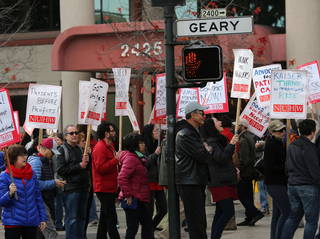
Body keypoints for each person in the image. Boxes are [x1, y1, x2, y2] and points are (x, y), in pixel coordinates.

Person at [175, 102, 213, 239]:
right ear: (192, 115)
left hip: (194, 180)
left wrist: (205, 149)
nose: (204, 116)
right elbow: (202, 155)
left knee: (199, 220)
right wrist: (206, 149)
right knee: (196, 221)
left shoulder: (192, 132)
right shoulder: (185, 134)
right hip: (189, 181)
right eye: (201, 113)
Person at [200, 117, 239, 239]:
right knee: (228, 212)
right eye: (217, 121)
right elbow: (221, 158)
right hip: (219, 182)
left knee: (220, 212)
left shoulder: (217, 140)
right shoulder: (211, 143)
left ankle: (215, 236)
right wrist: (231, 145)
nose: (220, 122)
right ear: (212, 126)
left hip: (223, 180)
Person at [281, 119, 320, 239]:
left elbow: (286, 167)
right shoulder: (310, 147)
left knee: (293, 218)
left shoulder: (292, 145)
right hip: (308, 186)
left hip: (292, 185)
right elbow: (315, 171)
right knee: (311, 221)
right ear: (313, 132)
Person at [0, 144, 47, 238]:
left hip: (31, 221)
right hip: (13, 222)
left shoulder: (32, 174)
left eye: (25, 154)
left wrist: (43, 218)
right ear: (13, 158)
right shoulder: (4, 176)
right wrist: (10, 194)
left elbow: (38, 197)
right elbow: (2, 202)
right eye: (21, 155)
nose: (25, 157)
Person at [28, 137, 66, 239]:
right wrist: (54, 183)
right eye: (51, 151)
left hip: (46, 199)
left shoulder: (46, 161)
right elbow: (36, 184)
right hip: (41, 200)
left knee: (43, 231)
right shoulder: (37, 162)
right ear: (44, 149)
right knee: (49, 232)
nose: (53, 154)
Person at [56, 125, 90, 239]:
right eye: (71, 133)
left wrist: (89, 157)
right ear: (66, 136)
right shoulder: (62, 150)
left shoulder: (80, 149)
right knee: (72, 219)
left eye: (76, 133)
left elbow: (86, 167)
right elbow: (60, 170)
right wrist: (79, 166)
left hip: (83, 187)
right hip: (71, 189)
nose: (75, 135)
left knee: (82, 218)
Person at [118, 133, 154, 239]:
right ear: (135, 145)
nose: (144, 145)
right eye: (141, 143)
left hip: (139, 197)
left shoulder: (138, 157)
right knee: (133, 228)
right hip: (133, 199)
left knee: (147, 225)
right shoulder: (131, 159)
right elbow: (122, 177)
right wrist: (128, 195)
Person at [92, 122, 120, 239]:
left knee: (104, 218)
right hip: (103, 188)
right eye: (112, 131)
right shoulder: (100, 147)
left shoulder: (110, 145)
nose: (114, 133)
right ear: (106, 133)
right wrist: (115, 160)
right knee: (111, 219)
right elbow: (100, 168)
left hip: (110, 187)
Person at [263, 120, 290, 239]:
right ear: (272, 132)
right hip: (275, 183)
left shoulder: (277, 142)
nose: (282, 132)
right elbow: (270, 166)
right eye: (279, 131)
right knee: (286, 212)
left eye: (283, 130)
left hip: (277, 182)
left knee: (278, 214)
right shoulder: (272, 144)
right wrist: (286, 166)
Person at [236, 120, 264, 226]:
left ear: (243, 127)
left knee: (242, 195)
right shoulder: (249, 137)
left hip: (245, 173)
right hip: (249, 172)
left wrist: (239, 169)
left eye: (238, 125)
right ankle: (249, 217)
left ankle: (256, 213)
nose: (236, 127)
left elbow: (245, 159)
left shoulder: (243, 139)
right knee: (248, 195)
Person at [143, 124, 167, 231]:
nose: (158, 132)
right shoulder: (143, 146)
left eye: (158, 130)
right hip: (148, 181)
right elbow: (145, 163)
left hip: (158, 181)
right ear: (149, 133)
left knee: (163, 208)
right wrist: (155, 154)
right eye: (155, 131)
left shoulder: (158, 144)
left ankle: (151, 227)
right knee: (149, 210)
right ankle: (148, 230)